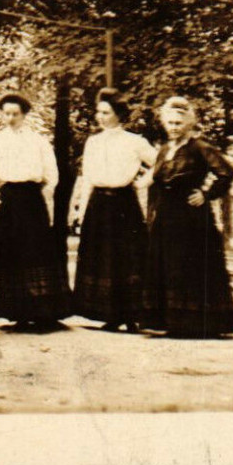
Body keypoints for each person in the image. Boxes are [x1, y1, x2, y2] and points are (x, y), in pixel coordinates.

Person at [143, 96, 233, 338]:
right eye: (170, 123)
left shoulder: (200, 147)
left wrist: (206, 195)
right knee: (166, 265)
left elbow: (226, 173)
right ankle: (169, 320)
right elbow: (156, 181)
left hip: (190, 218)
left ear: (188, 123)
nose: (174, 127)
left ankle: (193, 323)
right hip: (165, 215)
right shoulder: (164, 150)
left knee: (188, 266)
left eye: (178, 123)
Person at [0, 93, 70, 330]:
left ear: (24, 115)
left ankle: (44, 312)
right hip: (8, 200)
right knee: (12, 253)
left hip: (32, 200)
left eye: (15, 114)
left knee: (37, 252)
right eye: (6, 113)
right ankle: (18, 312)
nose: (10, 118)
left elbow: (51, 174)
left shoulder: (37, 141)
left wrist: (44, 199)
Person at [69, 88, 158, 331]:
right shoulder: (93, 142)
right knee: (103, 258)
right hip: (99, 204)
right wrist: (82, 210)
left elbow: (160, 163)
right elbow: (87, 177)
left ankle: (131, 316)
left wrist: (141, 182)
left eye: (106, 112)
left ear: (119, 114)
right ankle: (110, 315)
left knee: (126, 259)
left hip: (123, 204)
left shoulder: (135, 141)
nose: (100, 117)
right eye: (98, 112)